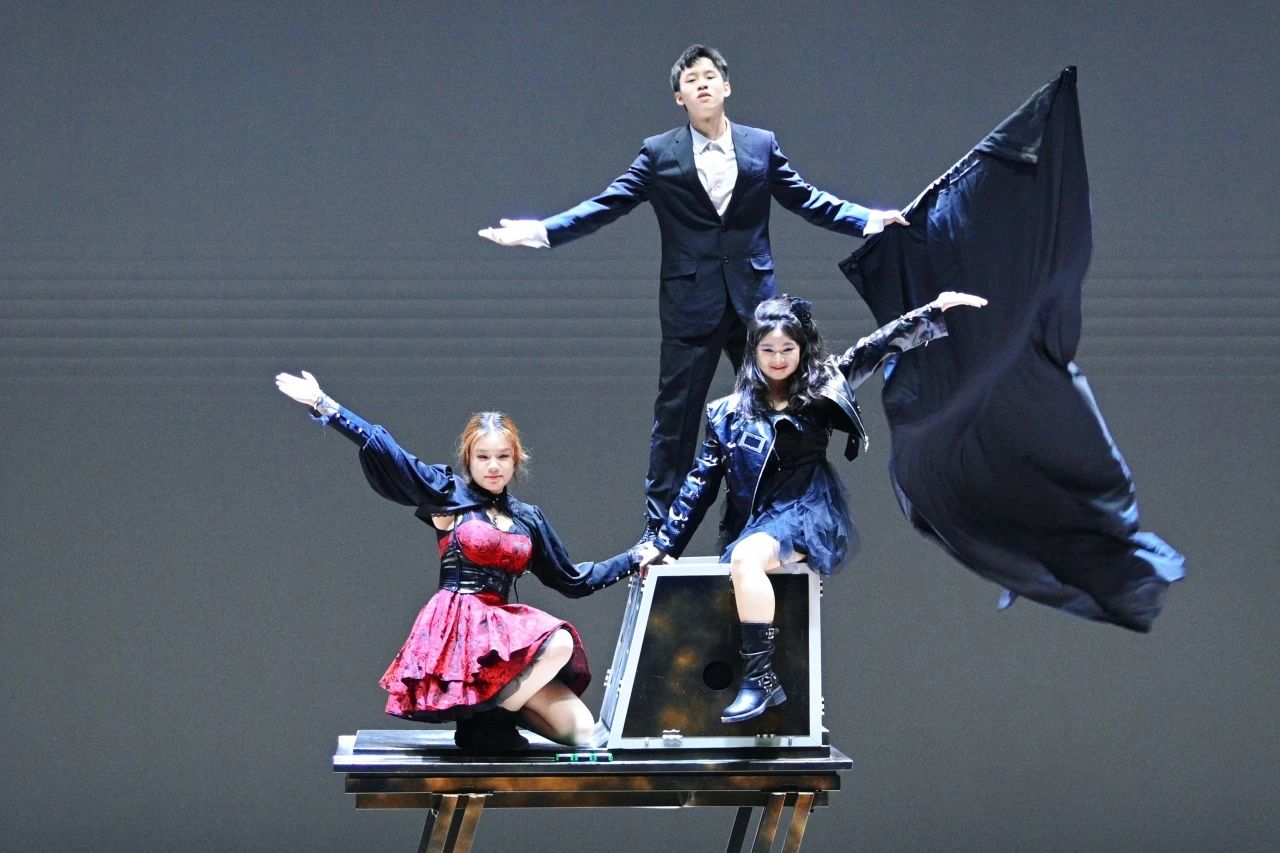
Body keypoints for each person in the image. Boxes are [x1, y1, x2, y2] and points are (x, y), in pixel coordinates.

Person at [479, 44, 908, 549]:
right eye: (691, 79)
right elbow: (606, 204)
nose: (702, 84)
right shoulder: (660, 153)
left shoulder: (760, 145)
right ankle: (657, 534)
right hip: (690, 306)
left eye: (709, 76)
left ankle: (779, 522)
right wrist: (541, 231)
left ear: (726, 86)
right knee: (676, 421)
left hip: (754, 307)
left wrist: (868, 219)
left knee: (779, 411)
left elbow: (806, 197)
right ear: (679, 97)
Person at [637, 291, 987, 723]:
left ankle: (760, 681)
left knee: (746, 560)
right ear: (753, 351)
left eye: (787, 349)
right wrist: (665, 544)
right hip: (759, 518)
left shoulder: (822, 385)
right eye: (768, 350)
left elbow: (875, 347)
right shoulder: (726, 414)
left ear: (801, 349)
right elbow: (699, 483)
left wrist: (931, 312)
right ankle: (763, 682)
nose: (778, 359)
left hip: (808, 508)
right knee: (741, 568)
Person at [275, 371, 636, 749]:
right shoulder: (449, 496)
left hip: (500, 638)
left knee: (582, 732)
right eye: (483, 457)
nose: (493, 466)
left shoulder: (528, 518)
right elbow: (390, 453)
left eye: (503, 457)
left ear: (516, 460)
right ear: (469, 459)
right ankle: (497, 702)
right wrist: (325, 405)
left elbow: (573, 580)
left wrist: (634, 558)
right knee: (559, 642)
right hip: (459, 632)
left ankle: (504, 702)